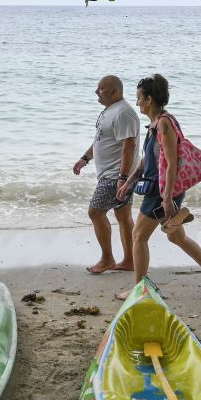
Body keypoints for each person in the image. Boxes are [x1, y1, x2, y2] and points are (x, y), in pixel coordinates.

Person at [117, 74, 201, 297]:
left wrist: (166, 198)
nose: (137, 103)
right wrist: (129, 182)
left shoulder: (164, 124)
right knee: (176, 236)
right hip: (162, 189)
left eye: (139, 98)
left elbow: (172, 162)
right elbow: (148, 158)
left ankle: (140, 290)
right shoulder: (155, 124)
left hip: (162, 190)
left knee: (138, 236)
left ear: (150, 99)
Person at [72, 76, 139, 274]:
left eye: (101, 89)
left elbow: (129, 145)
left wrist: (123, 177)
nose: (96, 91)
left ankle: (107, 259)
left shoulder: (124, 113)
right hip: (114, 174)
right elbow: (101, 140)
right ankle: (129, 261)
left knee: (95, 212)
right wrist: (85, 158)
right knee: (123, 215)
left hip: (115, 175)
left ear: (114, 92)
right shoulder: (110, 111)